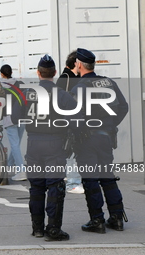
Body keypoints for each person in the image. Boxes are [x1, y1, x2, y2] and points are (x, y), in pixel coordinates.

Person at [12, 54, 81, 241]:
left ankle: (37, 228)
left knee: (36, 186)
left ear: (38, 73)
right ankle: (53, 228)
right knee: (55, 186)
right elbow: (77, 120)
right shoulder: (63, 95)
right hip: (55, 144)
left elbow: (14, 118)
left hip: (33, 143)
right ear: (55, 73)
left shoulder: (27, 93)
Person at [71, 48, 129, 233]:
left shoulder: (79, 88)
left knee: (90, 180)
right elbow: (123, 106)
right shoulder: (108, 82)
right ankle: (117, 218)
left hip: (87, 140)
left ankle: (97, 220)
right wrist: (110, 125)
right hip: (105, 138)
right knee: (108, 178)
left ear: (79, 64)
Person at [55, 51, 84, 194]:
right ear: (75, 63)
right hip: (68, 120)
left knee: (72, 150)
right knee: (71, 151)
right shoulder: (65, 78)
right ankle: (72, 183)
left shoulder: (73, 77)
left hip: (73, 119)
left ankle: (72, 180)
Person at [0, 64, 26, 181]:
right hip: (21, 117)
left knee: (15, 145)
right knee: (16, 144)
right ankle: (10, 165)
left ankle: (21, 171)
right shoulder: (20, 84)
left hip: (9, 118)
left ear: (2, 74)